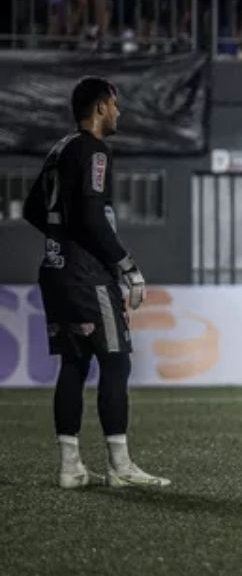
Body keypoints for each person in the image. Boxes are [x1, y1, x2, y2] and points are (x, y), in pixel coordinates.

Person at [21, 77, 168, 489]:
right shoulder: (94, 151)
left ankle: (70, 467)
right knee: (116, 361)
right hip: (88, 276)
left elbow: (34, 208)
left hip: (55, 271)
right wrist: (127, 266)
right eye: (115, 105)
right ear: (101, 107)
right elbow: (90, 218)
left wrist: (60, 239)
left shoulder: (59, 149)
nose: (119, 113)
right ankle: (120, 468)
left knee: (74, 363)